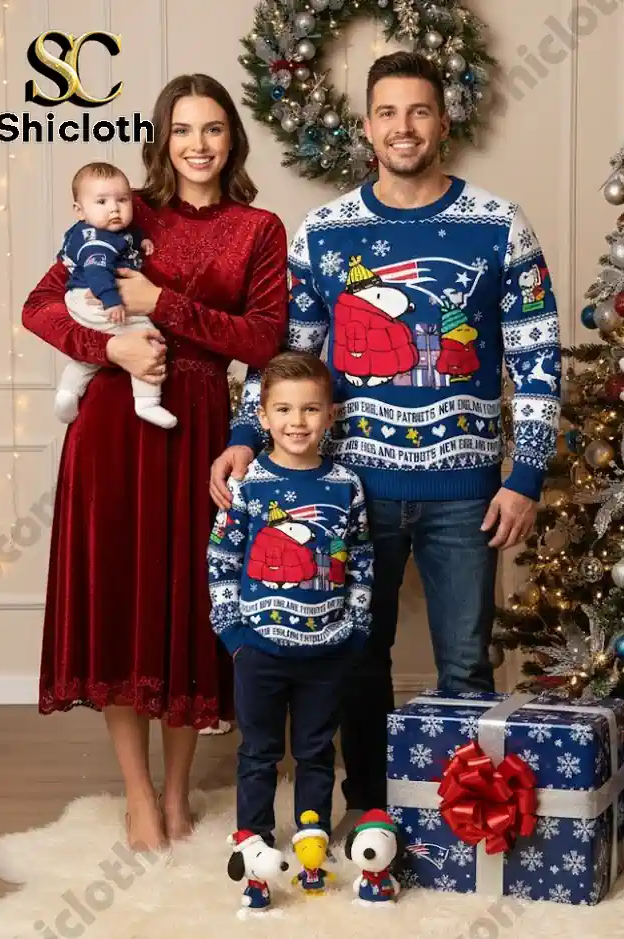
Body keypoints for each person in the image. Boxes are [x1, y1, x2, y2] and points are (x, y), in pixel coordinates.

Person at [210, 51, 562, 832]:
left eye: (420, 111)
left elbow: (538, 356)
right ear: (367, 127)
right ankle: (371, 810)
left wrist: (526, 472)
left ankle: (469, 823)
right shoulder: (327, 233)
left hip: (467, 490)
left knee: (466, 665)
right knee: (355, 664)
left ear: (443, 122)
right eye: (388, 113)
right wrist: (245, 431)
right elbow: (286, 358)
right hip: (351, 487)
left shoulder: (500, 225)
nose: (404, 128)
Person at [21, 73, 288, 852]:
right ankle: (138, 794)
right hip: (113, 426)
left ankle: (178, 792)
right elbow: (40, 305)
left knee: (187, 604)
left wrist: (161, 303)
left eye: (212, 129)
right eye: (182, 129)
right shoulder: (125, 211)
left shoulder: (258, 228)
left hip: (202, 425)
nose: (198, 144)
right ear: (161, 139)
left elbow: (264, 340)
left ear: (233, 138)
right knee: (122, 598)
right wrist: (109, 343)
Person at [208, 351, 373, 851]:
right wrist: (234, 635)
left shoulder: (346, 485)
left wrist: (355, 630)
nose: (296, 422)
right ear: (262, 417)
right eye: (283, 410)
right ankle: (253, 838)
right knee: (258, 751)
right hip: (258, 650)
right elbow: (222, 560)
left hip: (326, 650)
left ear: (329, 415)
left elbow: (362, 560)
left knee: (317, 751)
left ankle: (311, 832)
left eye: (309, 410)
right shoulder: (248, 487)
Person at [53, 162, 178, 430]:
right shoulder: (96, 243)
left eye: (122, 200)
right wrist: (112, 301)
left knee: (103, 347)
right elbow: (98, 272)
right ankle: (147, 401)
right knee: (146, 337)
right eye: (101, 201)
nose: (114, 208)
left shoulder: (100, 230)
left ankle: (67, 391)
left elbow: (125, 237)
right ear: (79, 210)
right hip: (95, 298)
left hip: (81, 297)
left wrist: (141, 240)